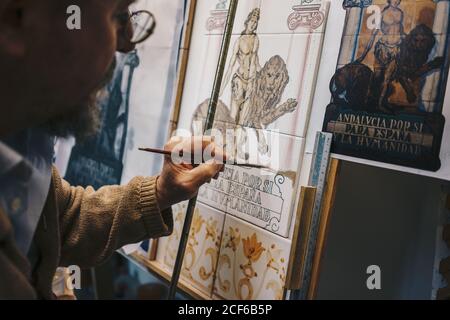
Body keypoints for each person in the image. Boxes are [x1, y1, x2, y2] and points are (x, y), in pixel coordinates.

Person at [0, 0, 224, 299]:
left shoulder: (22, 137)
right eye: (117, 16)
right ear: (16, 19)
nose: (127, 43)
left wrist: (159, 192)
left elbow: (58, 220)